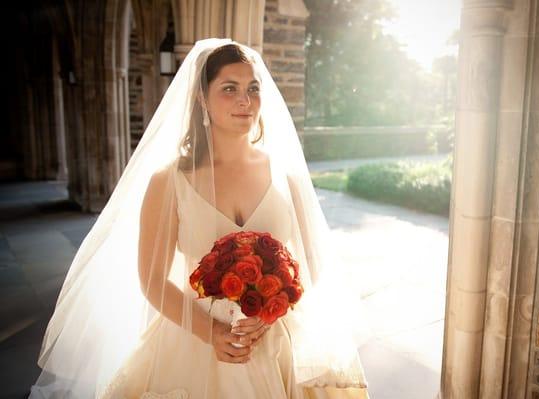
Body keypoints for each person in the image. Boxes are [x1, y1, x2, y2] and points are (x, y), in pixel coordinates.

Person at [30, 38, 369, 399]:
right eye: (229, 89)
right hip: (193, 340)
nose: (245, 100)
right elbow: (153, 280)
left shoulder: (287, 178)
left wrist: (271, 310)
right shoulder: (169, 182)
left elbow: (313, 267)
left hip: (277, 341)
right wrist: (214, 334)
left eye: (253, 88)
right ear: (202, 99)